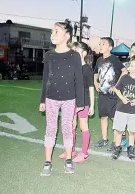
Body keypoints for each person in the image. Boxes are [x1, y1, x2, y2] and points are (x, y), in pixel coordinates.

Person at [39, 21, 84, 176]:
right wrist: (42, 100)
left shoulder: (74, 55)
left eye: (57, 31)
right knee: (50, 128)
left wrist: (81, 102)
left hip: (69, 99)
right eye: (52, 31)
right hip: (51, 98)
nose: (53, 34)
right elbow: (46, 78)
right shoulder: (49, 55)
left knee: (67, 128)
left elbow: (79, 79)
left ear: (67, 35)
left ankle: (69, 159)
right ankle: (47, 161)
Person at [58, 42, 95, 163]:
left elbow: (91, 88)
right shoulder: (73, 67)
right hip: (71, 101)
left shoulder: (87, 69)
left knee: (83, 126)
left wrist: (92, 105)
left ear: (84, 53)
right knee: (71, 125)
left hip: (83, 102)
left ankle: (84, 153)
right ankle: (72, 149)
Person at [94, 37, 128, 150]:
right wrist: (95, 82)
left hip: (113, 96)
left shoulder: (114, 59)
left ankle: (116, 141)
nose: (101, 46)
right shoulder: (99, 60)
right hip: (102, 94)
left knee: (114, 118)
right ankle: (104, 139)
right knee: (103, 117)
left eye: (103, 44)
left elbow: (125, 71)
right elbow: (95, 73)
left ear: (110, 47)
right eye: (100, 44)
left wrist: (117, 85)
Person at [111, 55, 135, 159]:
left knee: (132, 131)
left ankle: (130, 148)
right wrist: (122, 98)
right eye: (132, 66)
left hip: (134, 111)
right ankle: (117, 147)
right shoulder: (124, 77)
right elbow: (116, 89)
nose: (134, 69)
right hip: (121, 110)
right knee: (119, 130)